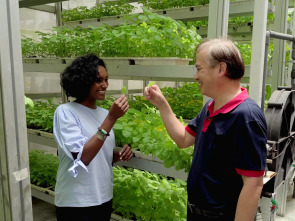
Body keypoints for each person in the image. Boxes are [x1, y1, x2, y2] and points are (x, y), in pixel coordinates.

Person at [144, 38, 267, 221]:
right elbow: (183, 138)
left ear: (221, 69)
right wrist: (162, 104)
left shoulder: (246, 117)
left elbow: (253, 185)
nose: (195, 76)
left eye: (199, 69)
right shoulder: (211, 107)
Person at [53, 54, 133, 221]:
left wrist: (118, 155)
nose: (105, 85)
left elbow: (101, 155)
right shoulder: (66, 112)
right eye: (98, 80)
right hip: (76, 203)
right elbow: (81, 158)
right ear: (83, 81)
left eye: (106, 79)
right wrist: (111, 119)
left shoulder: (104, 114)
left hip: (103, 198)